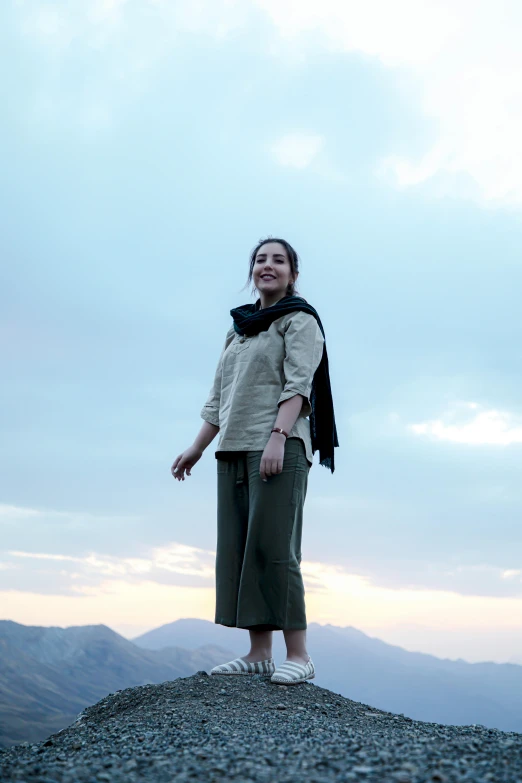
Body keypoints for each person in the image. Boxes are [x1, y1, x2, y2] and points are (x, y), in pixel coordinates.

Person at [171, 236, 339, 685]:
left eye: (278, 260)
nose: (268, 266)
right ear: (252, 271)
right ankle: (259, 652)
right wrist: (197, 446)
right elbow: (218, 397)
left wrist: (279, 437)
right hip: (234, 447)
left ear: (293, 273)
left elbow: (299, 385)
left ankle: (299, 655)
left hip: (278, 447)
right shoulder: (240, 327)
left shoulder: (299, 321)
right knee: (242, 549)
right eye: (261, 260)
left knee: (275, 548)